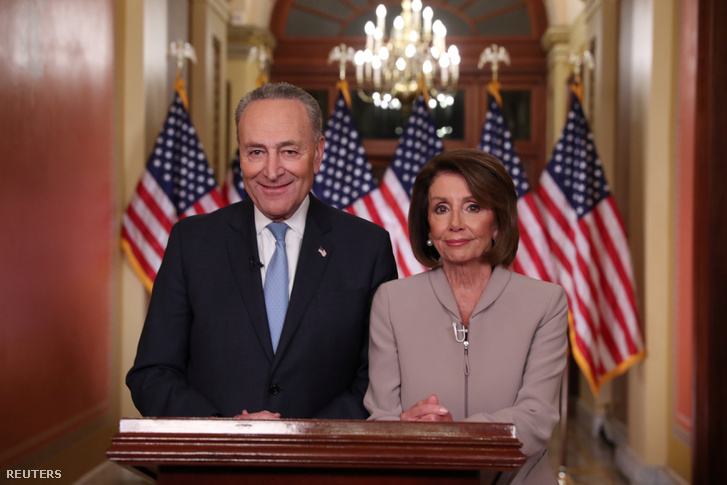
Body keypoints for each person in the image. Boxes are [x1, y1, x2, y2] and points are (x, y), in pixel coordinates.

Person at [127, 82, 398, 419]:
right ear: (240, 154)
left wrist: (300, 438)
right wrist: (224, 433)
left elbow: (377, 379)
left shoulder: (367, 247)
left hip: (324, 462)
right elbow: (152, 374)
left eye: (289, 151)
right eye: (256, 152)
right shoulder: (192, 243)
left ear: (319, 153)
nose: (271, 172)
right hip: (214, 463)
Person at [364, 149, 568, 484]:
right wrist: (403, 426)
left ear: (498, 222)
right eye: (441, 208)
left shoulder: (546, 303)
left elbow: (536, 419)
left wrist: (450, 436)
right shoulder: (391, 301)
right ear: (427, 226)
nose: (456, 223)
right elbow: (380, 420)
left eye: (473, 207)